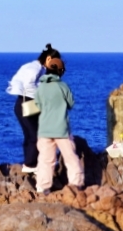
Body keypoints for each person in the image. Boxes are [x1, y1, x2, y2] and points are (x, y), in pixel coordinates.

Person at [6, 44, 61, 172]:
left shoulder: (36, 67)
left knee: (31, 134)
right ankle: (31, 165)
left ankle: (30, 163)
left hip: (23, 104)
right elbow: (28, 83)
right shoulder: (35, 68)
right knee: (35, 135)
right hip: (27, 104)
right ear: (48, 59)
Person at [34, 56, 85, 192]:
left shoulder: (41, 88)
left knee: (45, 160)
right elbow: (71, 104)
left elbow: (37, 105)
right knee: (70, 158)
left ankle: (42, 188)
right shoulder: (63, 86)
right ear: (61, 71)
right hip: (61, 129)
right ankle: (76, 185)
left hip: (44, 129)